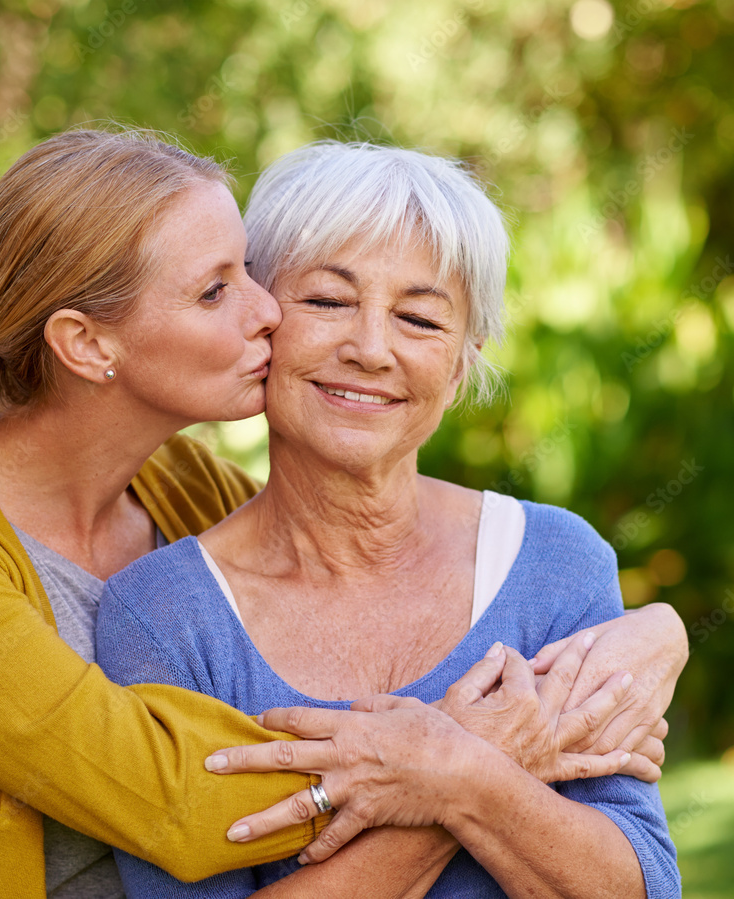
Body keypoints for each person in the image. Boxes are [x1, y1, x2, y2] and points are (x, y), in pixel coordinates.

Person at [0, 129, 685, 899]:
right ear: (86, 343)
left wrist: (659, 628)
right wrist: (472, 757)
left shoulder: (187, 490)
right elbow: (180, 803)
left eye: (250, 275)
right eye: (217, 290)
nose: (270, 310)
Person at [96, 141, 682, 897]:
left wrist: (453, 772)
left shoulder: (559, 562)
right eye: (329, 301)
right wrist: (480, 762)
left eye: (419, 319)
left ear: (463, 364)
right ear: (261, 320)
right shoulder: (160, 616)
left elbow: (640, 886)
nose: (371, 349)